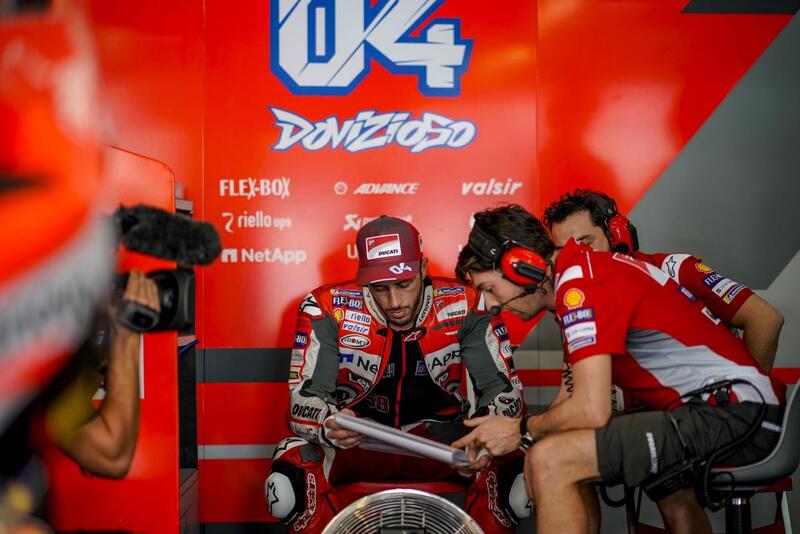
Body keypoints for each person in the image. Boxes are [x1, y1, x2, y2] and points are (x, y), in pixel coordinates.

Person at [451, 204, 786, 534]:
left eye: (489, 289)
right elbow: (570, 405)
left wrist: (519, 429)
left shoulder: (581, 285)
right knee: (553, 447)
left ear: (523, 267)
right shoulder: (582, 276)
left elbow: (590, 410)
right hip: (732, 412)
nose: (490, 305)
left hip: (739, 416)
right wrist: (509, 441)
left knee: (550, 460)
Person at [265, 215, 527, 533]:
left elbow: (505, 394)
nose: (394, 302)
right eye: (380, 288)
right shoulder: (325, 307)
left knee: (514, 478)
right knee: (288, 483)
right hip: (359, 446)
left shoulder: (469, 303)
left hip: (447, 446)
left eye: (404, 284)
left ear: (423, 268)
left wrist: (484, 437)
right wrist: (328, 425)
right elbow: (300, 404)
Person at [543, 189, 783, 372]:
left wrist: (750, 402)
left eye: (586, 244)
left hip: (707, 414)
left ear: (616, 236)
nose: (576, 258)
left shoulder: (676, 269)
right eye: (565, 252)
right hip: (649, 418)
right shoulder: (580, 299)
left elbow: (765, 319)